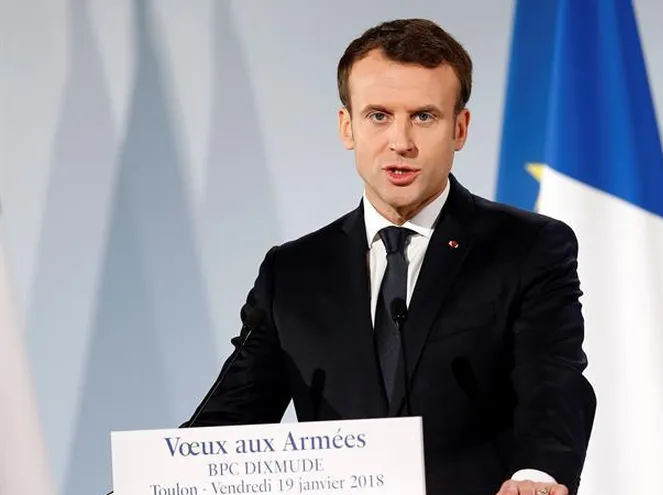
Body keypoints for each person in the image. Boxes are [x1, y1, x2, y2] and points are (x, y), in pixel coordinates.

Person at [184, 18, 596, 495]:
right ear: (348, 126)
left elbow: (553, 380)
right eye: (379, 115)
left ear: (459, 128)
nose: (400, 142)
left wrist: (536, 476)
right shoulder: (293, 272)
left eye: (424, 116)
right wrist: (154, 484)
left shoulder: (528, 248)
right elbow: (233, 414)